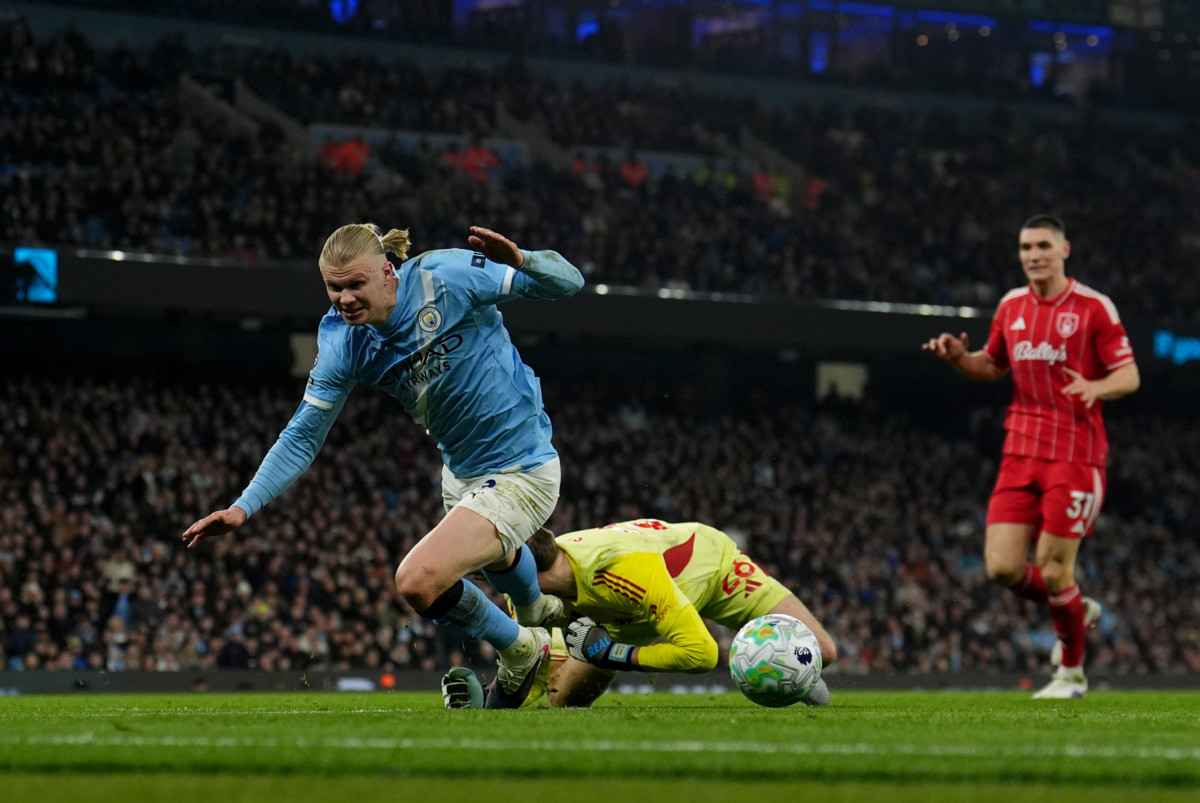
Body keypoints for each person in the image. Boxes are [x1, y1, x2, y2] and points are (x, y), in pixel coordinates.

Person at [182, 222, 584, 708]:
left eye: (356, 284)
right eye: (334, 288)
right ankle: (539, 612)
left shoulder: (444, 276)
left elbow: (569, 283)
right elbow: (303, 436)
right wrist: (242, 507)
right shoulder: (342, 342)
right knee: (498, 561)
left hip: (524, 467)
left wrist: (521, 259)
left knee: (418, 581)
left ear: (388, 272)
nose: (345, 298)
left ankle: (524, 649)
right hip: (461, 474)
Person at [922, 215, 1139, 699]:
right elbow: (992, 365)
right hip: (1019, 451)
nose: (1034, 255)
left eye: (1043, 245)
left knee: (1055, 567)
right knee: (1002, 567)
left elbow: (1129, 376)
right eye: (1026, 247)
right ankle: (1076, 609)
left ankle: (1071, 676)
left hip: (1075, 455)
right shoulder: (1012, 306)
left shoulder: (1093, 308)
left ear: (1064, 250)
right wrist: (959, 358)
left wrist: (1096, 387)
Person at [443, 518, 837, 709]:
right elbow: (527, 663)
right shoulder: (527, 585)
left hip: (712, 570)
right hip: (626, 618)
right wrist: (490, 702)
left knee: (823, 651)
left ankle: (794, 672)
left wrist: (614, 655)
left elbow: (703, 654)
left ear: (532, 574)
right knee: (563, 701)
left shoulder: (622, 569)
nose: (503, 588)